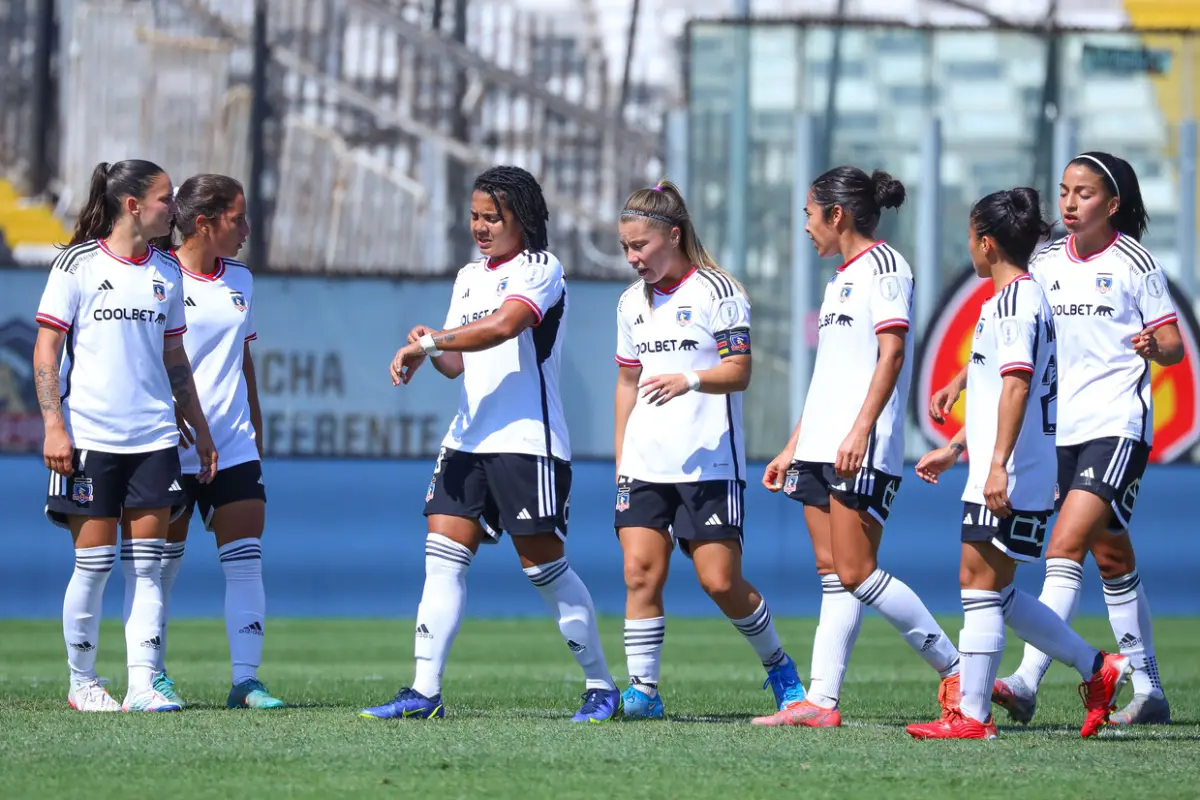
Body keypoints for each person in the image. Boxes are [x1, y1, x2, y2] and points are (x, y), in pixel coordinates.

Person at [360, 165, 620, 723]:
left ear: (520, 219)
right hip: (467, 440)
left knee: (544, 569)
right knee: (441, 561)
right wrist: (430, 348)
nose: (480, 226)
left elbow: (504, 327)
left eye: (491, 217)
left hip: (528, 443)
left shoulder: (541, 268)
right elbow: (456, 364)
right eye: (474, 215)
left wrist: (433, 340)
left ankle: (601, 685)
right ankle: (423, 692)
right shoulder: (468, 277)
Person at [930, 152, 1180, 726]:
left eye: (1085, 193)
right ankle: (1149, 689)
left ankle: (1025, 680)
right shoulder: (1041, 262)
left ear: (1112, 205)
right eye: (1065, 191)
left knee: (1063, 546)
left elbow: (1173, 346)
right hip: (1054, 431)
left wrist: (1151, 346)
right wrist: (963, 379)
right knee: (1111, 555)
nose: (1070, 202)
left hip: (1114, 425)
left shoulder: (1134, 262)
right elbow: (1016, 340)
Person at [905, 188, 1132, 740]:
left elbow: (1017, 386)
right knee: (996, 592)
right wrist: (959, 446)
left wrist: (997, 466)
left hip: (1014, 472)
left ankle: (973, 716)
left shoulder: (1014, 302)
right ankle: (1097, 668)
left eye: (970, 238)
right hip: (1011, 466)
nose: (970, 249)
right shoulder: (1020, 299)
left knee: (977, 585)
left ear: (986, 243)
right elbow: (1002, 392)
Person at [753, 166, 961, 729]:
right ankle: (820, 702)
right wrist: (793, 445)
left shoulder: (888, 268)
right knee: (833, 571)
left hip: (859, 445)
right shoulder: (839, 278)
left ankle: (956, 667)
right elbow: (832, 374)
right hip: (821, 444)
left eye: (808, 214)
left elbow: (890, 357)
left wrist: (860, 430)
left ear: (836, 214)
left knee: (856, 570)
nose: (806, 226)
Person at [611, 180, 806, 720]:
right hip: (646, 464)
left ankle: (781, 670)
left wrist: (690, 381)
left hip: (709, 463)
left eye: (641, 246)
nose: (633, 258)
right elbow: (627, 384)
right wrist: (622, 460)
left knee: (719, 580)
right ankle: (644, 692)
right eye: (626, 247)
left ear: (673, 235)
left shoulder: (718, 292)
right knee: (639, 574)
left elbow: (739, 372)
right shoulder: (630, 304)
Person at [34, 160, 217, 712]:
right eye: (166, 199)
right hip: (90, 439)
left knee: (149, 567)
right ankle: (83, 681)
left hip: (155, 441)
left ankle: (142, 684)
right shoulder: (76, 265)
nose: (174, 209)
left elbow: (174, 357)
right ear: (132, 205)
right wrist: (53, 426)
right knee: (92, 566)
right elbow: (46, 351)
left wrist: (200, 431)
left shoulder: (168, 270)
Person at [143, 174, 282, 710]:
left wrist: (256, 425)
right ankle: (150, 674)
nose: (247, 229)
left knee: (245, 561)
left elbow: (242, 361)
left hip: (234, 445)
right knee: (160, 567)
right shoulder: (157, 276)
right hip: (168, 445)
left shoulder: (241, 279)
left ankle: (246, 681)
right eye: (238, 219)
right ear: (204, 222)